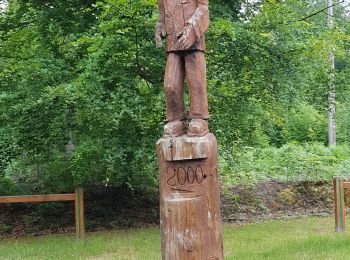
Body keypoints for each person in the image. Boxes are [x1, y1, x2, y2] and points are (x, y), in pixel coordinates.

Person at [155, 0, 210, 137]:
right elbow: (162, 13)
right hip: (172, 43)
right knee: (170, 85)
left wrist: (192, 31)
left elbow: (203, 8)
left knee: (196, 82)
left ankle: (198, 117)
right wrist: (159, 27)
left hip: (194, 43)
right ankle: (176, 119)